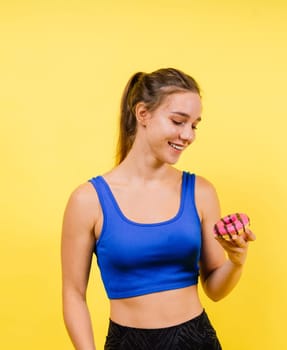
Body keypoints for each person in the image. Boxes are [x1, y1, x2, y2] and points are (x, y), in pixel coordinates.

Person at [61, 68, 256, 349]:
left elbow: (214, 288)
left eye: (194, 125)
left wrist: (236, 260)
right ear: (143, 114)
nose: (188, 135)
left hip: (196, 341)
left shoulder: (201, 192)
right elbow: (73, 294)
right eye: (178, 121)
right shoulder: (88, 200)